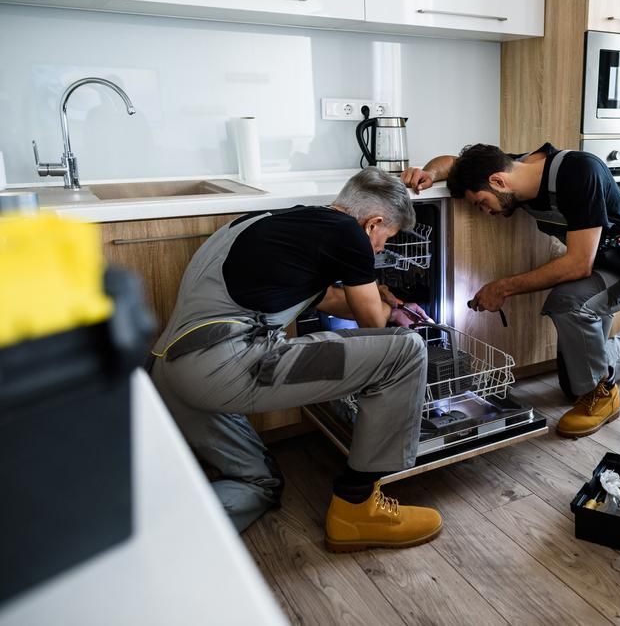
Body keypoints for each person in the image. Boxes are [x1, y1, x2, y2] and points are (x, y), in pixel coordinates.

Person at [149, 168, 442, 552]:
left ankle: (151, 540)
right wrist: (385, 309)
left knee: (261, 483)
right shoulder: (349, 233)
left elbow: (327, 298)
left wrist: (388, 303)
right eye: (385, 240)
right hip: (222, 366)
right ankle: (357, 508)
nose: (379, 250)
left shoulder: (278, 224)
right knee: (406, 351)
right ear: (372, 224)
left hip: (169, 375)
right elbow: (375, 327)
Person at [402, 143, 620, 438]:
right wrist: (429, 173)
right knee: (575, 384)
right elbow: (452, 162)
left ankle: (604, 396)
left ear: (497, 181)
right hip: (595, 268)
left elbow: (578, 265)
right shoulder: (512, 168)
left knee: (566, 303)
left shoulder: (580, 171)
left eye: (481, 203)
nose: (486, 212)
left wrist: (502, 287)